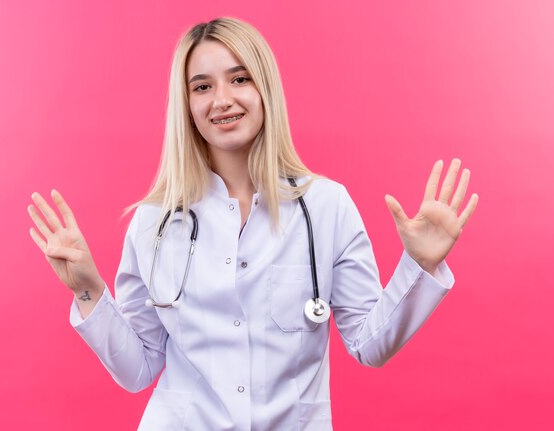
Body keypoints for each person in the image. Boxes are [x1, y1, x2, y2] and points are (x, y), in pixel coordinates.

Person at [27, 17, 478, 430]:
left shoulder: (326, 206)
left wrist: (417, 265)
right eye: (201, 87)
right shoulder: (154, 222)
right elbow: (137, 369)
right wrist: (88, 290)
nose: (222, 100)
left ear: (265, 89)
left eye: (239, 79)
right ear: (186, 105)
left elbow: (368, 344)